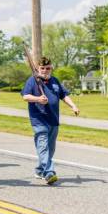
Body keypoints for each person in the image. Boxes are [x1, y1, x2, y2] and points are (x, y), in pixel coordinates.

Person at [22, 56, 79, 185]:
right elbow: (25, 96)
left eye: (48, 68)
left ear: (51, 68)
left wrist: (73, 106)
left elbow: (63, 95)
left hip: (53, 120)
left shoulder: (55, 81)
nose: (45, 71)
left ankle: (40, 170)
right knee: (43, 146)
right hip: (39, 120)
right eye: (42, 68)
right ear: (38, 68)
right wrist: (38, 99)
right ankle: (49, 173)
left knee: (50, 149)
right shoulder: (32, 81)